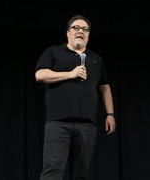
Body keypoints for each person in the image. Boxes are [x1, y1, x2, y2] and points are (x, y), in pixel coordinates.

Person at [35, 14, 116, 180]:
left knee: (81, 174)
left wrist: (110, 114)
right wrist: (70, 74)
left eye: (85, 29)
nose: (80, 31)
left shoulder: (95, 58)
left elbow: (105, 88)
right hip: (59, 122)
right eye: (76, 28)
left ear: (88, 34)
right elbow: (40, 75)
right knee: (53, 172)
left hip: (87, 124)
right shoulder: (54, 52)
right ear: (67, 33)